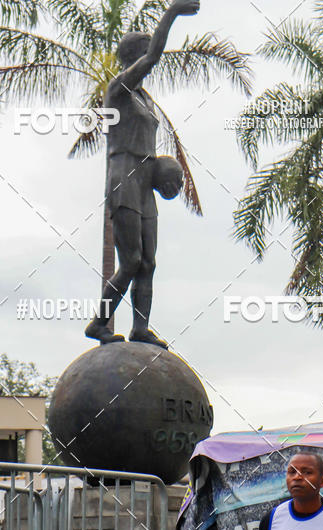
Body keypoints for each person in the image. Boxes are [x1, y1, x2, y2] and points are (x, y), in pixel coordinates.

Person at [84, 0, 200, 348]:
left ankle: (140, 328)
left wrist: (166, 170)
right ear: (134, 55)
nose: (150, 56)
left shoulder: (144, 98)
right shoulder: (118, 89)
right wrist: (172, 12)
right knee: (131, 260)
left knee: (148, 262)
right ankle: (99, 323)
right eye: (144, 50)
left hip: (144, 181)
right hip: (124, 177)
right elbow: (153, 57)